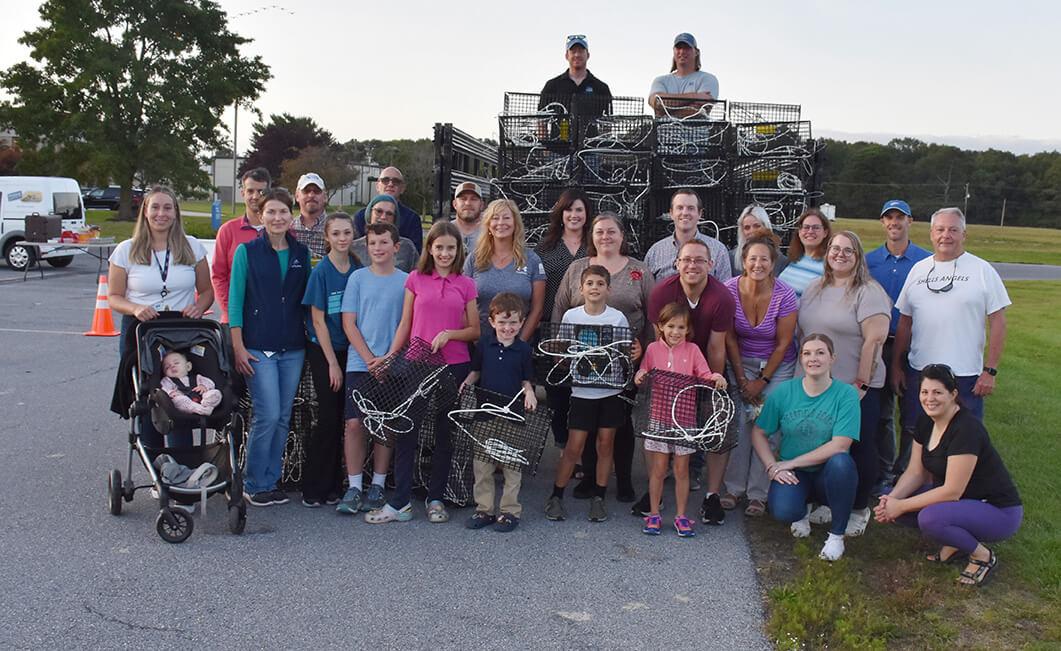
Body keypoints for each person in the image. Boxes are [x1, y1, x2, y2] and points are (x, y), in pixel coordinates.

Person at [367, 221, 479, 524]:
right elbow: (405, 324)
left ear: (458, 251)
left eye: (450, 248)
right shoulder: (416, 279)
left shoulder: (466, 284)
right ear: (430, 248)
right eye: (439, 247)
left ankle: (436, 498)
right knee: (407, 430)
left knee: (445, 433)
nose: (444, 253)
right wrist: (390, 357)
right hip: (418, 362)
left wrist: (450, 334)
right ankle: (400, 501)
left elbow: (474, 330)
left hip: (453, 365)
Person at [874, 364, 1022, 587]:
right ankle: (956, 542)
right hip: (962, 502)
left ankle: (982, 556)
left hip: (997, 510)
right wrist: (892, 501)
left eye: (937, 392)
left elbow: (952, 490)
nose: (929, 399)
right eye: (925, 392)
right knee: (888, 495)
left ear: (953, 395)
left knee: (930, 518)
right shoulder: (926, 421)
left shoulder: (966, 429)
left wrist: (902, 506)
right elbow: (915, 472)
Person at [553, 212, 655, 502]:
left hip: (621, 359)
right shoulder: (577, 269)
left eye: (612, 232)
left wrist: (644, 351)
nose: (605, 237)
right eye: (599, 232)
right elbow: (560, 308)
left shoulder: (639, 270)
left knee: (618, 423)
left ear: (622, 236)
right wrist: (561, 347)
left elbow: (651, 314)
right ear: (592, 236)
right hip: (581, 359)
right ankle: (588, 478)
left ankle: (622, 479)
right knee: (585, 420)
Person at [797, 231, 892, 537]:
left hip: (856, 388)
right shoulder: (815, 288)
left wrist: (861, 385)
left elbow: (875, 340)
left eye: (847, 250)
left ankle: (859, 508)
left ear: (858, 256)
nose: (839, 254)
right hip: (819, 387)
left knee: (859, 449)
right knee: (822, 447)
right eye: (835, 249)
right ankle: (828, 500)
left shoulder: (868, 291)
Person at [107, 186, 213, 448]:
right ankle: (157, 463)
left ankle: (184, 461)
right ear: (145, 211)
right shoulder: (126, 250)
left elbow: (207, 291)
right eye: (155, 207)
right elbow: (114, 296)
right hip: (142, 330)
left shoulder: (192, 247)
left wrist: (199, 306)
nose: (161, 214)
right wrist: (134, 308)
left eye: (167, 208)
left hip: (180, 331)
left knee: (180, 394)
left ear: (176, 213)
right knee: (148, 397)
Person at [643, 239, 735, 524]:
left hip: (702, 364)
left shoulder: (721, 297)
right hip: (667, 371)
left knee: (718, 428)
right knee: (654, 427)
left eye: (699, 260)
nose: (692, 265)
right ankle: (653, 496)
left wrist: (708, 392)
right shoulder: (662, 292)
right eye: (686, 260)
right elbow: (654, 339)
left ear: (711, 264)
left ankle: (711, 496)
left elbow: (717, 347)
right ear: (677, 263)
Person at [228, 188, 310, 507]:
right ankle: (253, 480)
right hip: (257, 347)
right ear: (261, 216)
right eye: (271, 212)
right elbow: (235, 302)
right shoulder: (246, 252)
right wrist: (237, 345)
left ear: (292, 216)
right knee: (267, 413)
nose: (278, 218)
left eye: (283, 212)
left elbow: (306, 301)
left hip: (292, 346)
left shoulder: (301, 254)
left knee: (283, 416)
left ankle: (271, 480)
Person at [892, 207, 1009, 426]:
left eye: (953, 230)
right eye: (940, 229)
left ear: (963, 235)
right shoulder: (918, 270)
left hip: (964, 376)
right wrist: (897, 366)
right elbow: (905, 322)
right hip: (921, 372)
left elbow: (998, 321)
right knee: (914, 436)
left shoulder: (982, 270)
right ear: (931, 234)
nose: (946, 235)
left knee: (963, 440)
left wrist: (990, 370)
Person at [752, 334, 861, 561]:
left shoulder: (846, 394)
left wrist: (789, 463)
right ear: (801, 359)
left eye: (820, 353)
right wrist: (773, 466)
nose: (814, 358)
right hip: (796, 475)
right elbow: (759, 432)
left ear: (832, 358)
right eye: (807, 353)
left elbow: (840, 445)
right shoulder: (784, 392)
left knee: (842, 463)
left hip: (828, 472)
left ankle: (836, 536)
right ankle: (802, 510)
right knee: (784, 511)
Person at [545, 265, 631, 523]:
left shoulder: (617, 318)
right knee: (574, 447)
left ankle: (599, 497)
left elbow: (625, 354)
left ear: (608, 289)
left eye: (600, 284)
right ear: (581, 288)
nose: (595, 288)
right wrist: (563, 359)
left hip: (610, 391)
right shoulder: (571, 316)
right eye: (590, 283)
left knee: (606, 444)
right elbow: (563, 352)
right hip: (582, 391)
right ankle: (556, 496)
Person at [721, 236, 798, 517]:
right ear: (743, 261)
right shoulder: (729, 289)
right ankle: (733, 488)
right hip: (740, 361)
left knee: (767, 425)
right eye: (752, 258)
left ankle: (758, 493)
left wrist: (762, 381)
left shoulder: (785, 294)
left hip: (777, 366)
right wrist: (742, 379)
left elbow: (783, 343)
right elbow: (729, 338)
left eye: (764, 259)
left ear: (773, 263)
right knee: (739, 422)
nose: (758, 264)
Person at [634, 302, 726, 537]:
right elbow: (643, 372)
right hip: (659, 417)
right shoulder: (653, 349)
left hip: (685, 421)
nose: (675, 332)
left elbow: (705, 375)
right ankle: (654, 514)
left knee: (682, 469)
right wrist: (641, 375)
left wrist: (716, 377)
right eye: (670, 326)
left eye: (681, 327)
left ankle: (681, 516)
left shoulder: (693, 350)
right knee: (658, 468)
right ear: (661, 327)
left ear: (688, 330)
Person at [337, 222, 407, 515]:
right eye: (373, 243)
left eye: (384, 242)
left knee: (384, 424)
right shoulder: (357, 278)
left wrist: (389, 357)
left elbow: (407, 323)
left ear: (396, 247)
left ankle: (378, 483)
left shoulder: (407, 280)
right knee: (354, 424)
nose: (378, 248)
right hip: (360, 363)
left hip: (394, 363)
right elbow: (349, 322)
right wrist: (369, 359)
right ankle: (354, 486)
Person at [865, 199, 930, 492]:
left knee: (913, 414)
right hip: (878, 344)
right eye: (888, 217)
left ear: (910, 221)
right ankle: (883, 472)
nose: (894, 222)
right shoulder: (870, 260)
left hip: (914, 346)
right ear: (882, 223)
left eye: (899, 217)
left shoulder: (926, 262)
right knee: (881, 413)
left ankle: (906, 472)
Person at [460, 293, 538, 533]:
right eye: (502, 322)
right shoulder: (485, 344)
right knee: (482, 464)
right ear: (492, 322)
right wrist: (467, 382)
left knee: (512, 464)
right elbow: (476, 370)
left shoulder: (523, 349)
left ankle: (509, 511)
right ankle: (484, 509)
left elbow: (526, 379)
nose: (507, 328)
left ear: (522, 322)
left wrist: (530, 393)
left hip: (512, 414)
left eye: (513, 322)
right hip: (485, 412)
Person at [299, 213, 361, 508]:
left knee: (344, 418)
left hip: (351, 350)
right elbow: (318, 321)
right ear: (327, 238)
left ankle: (335, 484)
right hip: (325, 350)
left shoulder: (357, 268)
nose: (342, 238)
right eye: (335, 233)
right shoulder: (321, 272)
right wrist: (332, 364)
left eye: (347, 232)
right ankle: (313, 486)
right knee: (326, 418)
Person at [536, 188, 591, 452]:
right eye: (569, 209)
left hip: (588, 328)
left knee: (583, 390)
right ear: (561, 213)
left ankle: (581, 451)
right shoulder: (546, 247)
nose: (574, 215)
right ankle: (562, 445)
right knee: (557, 390)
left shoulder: (594, 245)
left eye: (579, 209)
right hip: (552, 324)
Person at [464, 199, 546, 340]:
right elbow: (463, 303)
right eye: (495, 218)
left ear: (515, 223)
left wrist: (519, 345)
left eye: (506, 218)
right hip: (480, 345)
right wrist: (476, 341)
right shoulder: (474, 259)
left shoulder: (532, 260)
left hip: (517, 347)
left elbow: (537, 309)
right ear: (488, 225)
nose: (501, 223)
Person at [211, 167, 270, 323]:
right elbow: (218, 275)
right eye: (250, 191)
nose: (255, 196)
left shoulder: (282, 230)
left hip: (270, 318)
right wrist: (231, 310)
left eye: (261, 191)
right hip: (234, 319)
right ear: (243, 193)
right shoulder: (227, 231)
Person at [643, 188, 731, 282]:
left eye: (690, 208)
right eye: (680, 208)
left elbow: (725, 292)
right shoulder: (655, 252)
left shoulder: (718, 251)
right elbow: (647, 293)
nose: (685, 213)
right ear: (671, 213)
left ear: (700, 214)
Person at [353, 166, 424, 253]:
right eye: (385, 180)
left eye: (396, 181)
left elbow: (414, 254)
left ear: (403, 188)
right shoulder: (360, 217)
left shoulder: (412, 219)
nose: (390, 184)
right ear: (377, 186)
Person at [648, 33, 720, 117]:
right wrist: (695, 96)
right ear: (673, 51)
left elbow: (698, 112)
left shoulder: (708, 79)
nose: (682, 51)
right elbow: (657, 103)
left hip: (698, 130)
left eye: (687, 48)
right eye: (679, 48)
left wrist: (665, 113)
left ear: (696, 52)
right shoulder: (660, 80)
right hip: (663, 130)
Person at [539, 34, 612, 117]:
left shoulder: (602, 88)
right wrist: (542, 130)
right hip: (561, 130)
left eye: (581, 51)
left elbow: (607, 123)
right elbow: (541, 120)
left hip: (589, 131)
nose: (577, 55)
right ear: (567, 56)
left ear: (588, 55)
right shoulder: (552, 85)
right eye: (573, 52)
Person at [350, 195, 419, 272]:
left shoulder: (407, 247)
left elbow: (417, 277)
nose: (383, 217)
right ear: (370, 213)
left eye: (389, 214)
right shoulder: (354, 248)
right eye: (379, 211)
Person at [778, 208, 831, 297]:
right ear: (799, 232)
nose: (810, 231)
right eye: (806, 227)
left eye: (816, 227)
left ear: (825, 232)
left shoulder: (829, 265)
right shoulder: (794, 260)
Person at [160, 351, 223, 416]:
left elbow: (210, 383)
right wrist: (170, 392)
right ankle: (202, 410)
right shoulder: (167, 380)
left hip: (202, 399)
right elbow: (164, 388)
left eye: (176, 363)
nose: (172, 366)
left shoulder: (197, 378)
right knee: (178, 400)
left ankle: (206, 406)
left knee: (216, 393)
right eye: (167, 367)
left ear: (188, 366)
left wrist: (204, 386)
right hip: (185, 403)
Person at [731, 204, 787, 276]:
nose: (752, 231)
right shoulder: (731, 258)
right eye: (747, 227)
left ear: (765, 226)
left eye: (757, 226)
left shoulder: (781, 260)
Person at [292, 172, 328, 258]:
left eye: (317, 191)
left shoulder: (336, 229)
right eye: (306, 191)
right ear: (297, 196)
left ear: (325, 197)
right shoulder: (288, 228)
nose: (311, 195)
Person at [451, 181, 484, 253]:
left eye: (473, 199)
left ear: (481, 205)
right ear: (454, 204)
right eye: (463, 199)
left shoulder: (491, 233)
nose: (468, 203)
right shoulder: (445, 231)